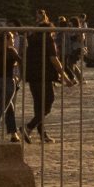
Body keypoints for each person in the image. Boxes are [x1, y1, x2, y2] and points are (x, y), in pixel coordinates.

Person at [22, 14, 62, 143]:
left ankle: (42, 134)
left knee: (38, 106)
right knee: (47, 105)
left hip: (33, 77)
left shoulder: (32, 40)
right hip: (44, 76)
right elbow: (53, 59)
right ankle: (28, 127)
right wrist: (64, 76)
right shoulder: (48, 40)